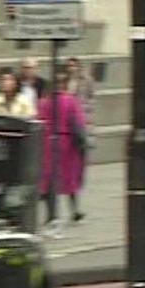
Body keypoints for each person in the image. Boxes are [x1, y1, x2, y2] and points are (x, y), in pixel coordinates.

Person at [37, 71, 87, 231]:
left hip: (48, 142)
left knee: (48, 179)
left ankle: (50, 215)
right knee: (70, 178)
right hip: (67, 143)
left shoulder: (43, 102)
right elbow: (79, 122)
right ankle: (74, 211)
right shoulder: (70, 101)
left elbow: (38, 121)